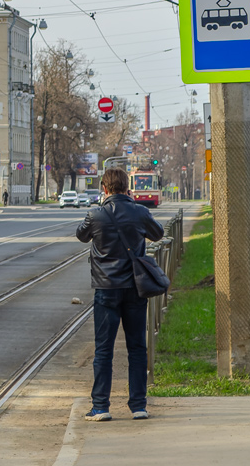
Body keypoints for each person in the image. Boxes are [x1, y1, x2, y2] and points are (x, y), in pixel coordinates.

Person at [75, 167, 165, 422]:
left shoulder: (96, 214)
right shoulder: (140, 212)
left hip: (106, 289)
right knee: (137, 347)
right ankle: (138, 406)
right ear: (128, 188)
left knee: (104, 349)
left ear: (104, 189)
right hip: (136, 288)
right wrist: (135, 208)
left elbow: (81, 235)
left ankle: (101, 407)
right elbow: (158, 233)